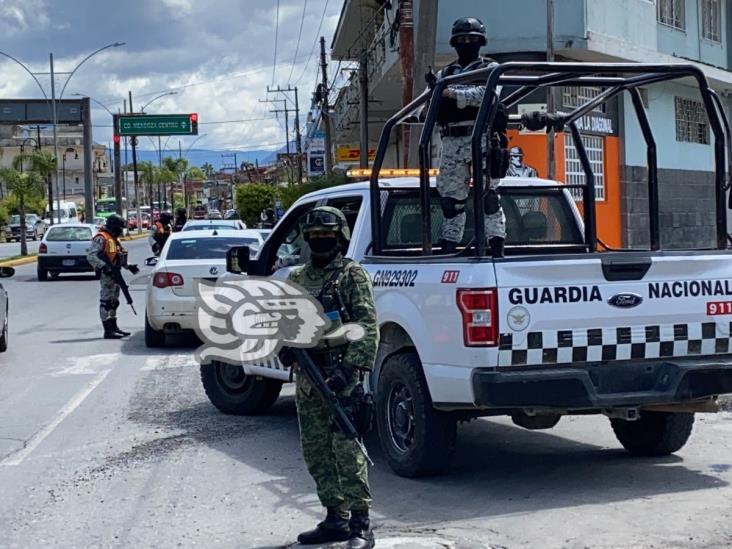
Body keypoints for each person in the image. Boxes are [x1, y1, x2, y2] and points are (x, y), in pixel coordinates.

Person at [278, 206, 378, 549]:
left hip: (341, 377)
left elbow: (366, 326)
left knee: (348, 451)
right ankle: (335, 517)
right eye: (315, 236)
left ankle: (361, 523)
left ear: (340, 238)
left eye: (328, 236)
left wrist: (349, 370)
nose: (321, 242)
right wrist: (286, 346)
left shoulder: (351, 276)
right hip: (308, 380)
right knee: (316, 452)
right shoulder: (296, 279)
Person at [433, 17, 507, 257]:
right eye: (462, 40)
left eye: (472, 39)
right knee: (451, 204)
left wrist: (449, 94)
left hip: (482, 137)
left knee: (489, 199)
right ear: (454, 43)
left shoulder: (491, 68)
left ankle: (496, 250)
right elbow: (424, 107)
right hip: (452, 140)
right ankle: (448, 248)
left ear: (481, 41)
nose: (467, 43)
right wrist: (439, 96)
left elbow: (486, 95)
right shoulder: (445, 73)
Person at [86, 214, 139, 339]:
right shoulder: (101, 238)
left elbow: (118, 257)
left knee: (114, 302)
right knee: (106, 302)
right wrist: (104, 267)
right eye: (120, 227)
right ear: (114, 226)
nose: (121, 230)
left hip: (115, 273)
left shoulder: (114, 239)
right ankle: (108, 330)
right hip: (107, 275)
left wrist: (129, 266)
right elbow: (91, 255)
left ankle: (114, 327)